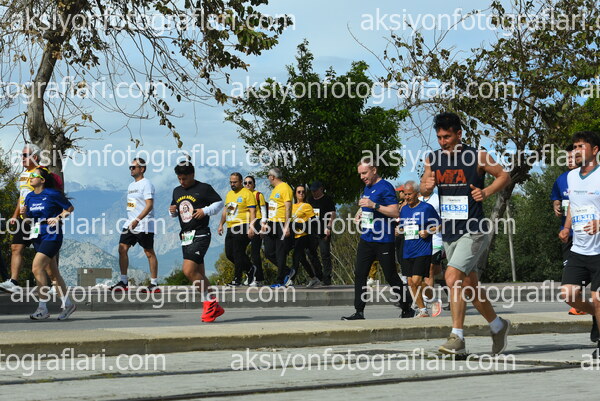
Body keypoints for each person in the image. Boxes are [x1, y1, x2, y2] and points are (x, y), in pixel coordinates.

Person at [421, 112, 511, 355]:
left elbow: (504, 175)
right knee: (469, 286)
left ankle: (457, 338)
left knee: (452, 278)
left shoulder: (477, 156)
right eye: (439, 137)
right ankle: (498, 325)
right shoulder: (433, 159)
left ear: (459, 134)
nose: (443, 142)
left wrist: (487, 192)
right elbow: (423, 186)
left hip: (473, 230)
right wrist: (426, 187)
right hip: (449, 231)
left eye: (447, 137)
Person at [342, 157, 413, 320]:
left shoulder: (386, 187)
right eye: (360, 174)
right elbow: (367, 208)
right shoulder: (367, 187)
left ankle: (407, 306)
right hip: (367, 238)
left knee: (390, 276)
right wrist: (361, 214)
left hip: (383, 239)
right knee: (360, 274)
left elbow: (395, 212)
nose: (362, 177)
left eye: (364, 173)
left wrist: (374, 205)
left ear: (374, 170)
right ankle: (359, 311)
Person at [559, 131, 600, 356]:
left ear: (595, 150)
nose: (576, 151)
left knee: (598, 297)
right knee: (569, 294)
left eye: (581, 146)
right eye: (574, 147)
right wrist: (567, 228)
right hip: (579, 249)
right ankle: (597, 314)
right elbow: (573, 207)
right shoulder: (571, 177)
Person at [169, 161, 225, 323]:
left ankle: (210, 304)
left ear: (192, 175)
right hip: (185, 235)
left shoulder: (204, 188)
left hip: (201, 234)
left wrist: (205, 211)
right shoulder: (177, 191)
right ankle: (213, 305)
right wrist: (172, 211)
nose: (182, 182)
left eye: (185, 179)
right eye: (179, 179)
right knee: (199, 273)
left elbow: (219, 203)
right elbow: (177, 210)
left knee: (188, 270)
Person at [23, 167, 75, 320]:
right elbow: (29, 220)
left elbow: (69, 208)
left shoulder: (52, 194)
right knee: (53, 273)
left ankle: (42, 308)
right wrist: (24, 214)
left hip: (52, 235)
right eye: (30, 175)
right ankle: (68, 304)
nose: (31, 177)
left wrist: (58, 218)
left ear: (42, 180)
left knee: (36, 267)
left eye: (34, 175)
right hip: (37, 235)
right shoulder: (29, 197)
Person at [110, 158, 159, 293]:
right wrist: (131, 218)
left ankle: (154, 284)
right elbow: (132, 205)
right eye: (130, 167)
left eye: (134, 167)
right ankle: (123, 282)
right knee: (122, 249)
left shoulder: (147, 184)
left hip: (144, 223)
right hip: (130, 223)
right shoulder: (131, 186)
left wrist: (137, 219)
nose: (131, 169)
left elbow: (149, 205)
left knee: (148, 252)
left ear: (142, 169)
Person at [399, 181, 442, 318]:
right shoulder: (404, 209)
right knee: (411, 282)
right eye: (405, 194)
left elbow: (440, 225)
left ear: (417, 194)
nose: (407, 197)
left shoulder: (426, 208)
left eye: (409, 194)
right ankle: (423, 310)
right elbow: (402, 227)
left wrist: (428, 231)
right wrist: (399, 230)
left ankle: (432, 300)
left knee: (416, 281)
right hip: (407, 250)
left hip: (422, 249)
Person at [551, 146, 584, 315]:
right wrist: (556, 205)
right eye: (568, 158)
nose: (570, 161)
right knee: (569, 268)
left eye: (573, 158)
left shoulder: (587, 178)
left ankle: (583, 305)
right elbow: (556, 198)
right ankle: (579, 304)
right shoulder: (562, 178)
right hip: (567, 232)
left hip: (585, 232)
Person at [218, 173, 256, 286]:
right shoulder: (229, 194)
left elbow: (253, 212)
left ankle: (237, 279)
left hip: (242, 225)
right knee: (229, 254)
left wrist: (252, 227)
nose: (232, 184)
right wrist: (221, 224)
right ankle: (249, 268)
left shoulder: (247, 194)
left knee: (238, 252)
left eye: (234, 182)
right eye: (231, 182)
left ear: (240, 182)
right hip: (231, 226)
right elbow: (226, 211)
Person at [261, 168, 293, 287]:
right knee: (268, 252)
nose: (268, 178)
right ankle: (287, 271)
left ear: (272, 177)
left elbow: (288, 207)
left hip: (281, 223)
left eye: (268, 176)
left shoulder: (285, 187)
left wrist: (287, 226)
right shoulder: (275, 190)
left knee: (280, 252)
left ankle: (280, 280)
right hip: (272, 223)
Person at [419, 186, 446, 314]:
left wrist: (430, 231)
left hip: (436, 239)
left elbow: (445, 221)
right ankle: (452, 285)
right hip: (421, 241)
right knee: (437, 272)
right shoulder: (418, 200)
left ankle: (428, 302)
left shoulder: (438, 199)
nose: (424, 185)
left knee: (429, 270)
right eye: (422, 182)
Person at [290, 184, 323, 287]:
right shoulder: (291, 207)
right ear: (295, 194)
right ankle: (314, 278)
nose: (301, 193)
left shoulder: (307, 206)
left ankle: (290, 279)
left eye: (303, 192)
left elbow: (313, 221)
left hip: (303, 235)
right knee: (302, 259)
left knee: (295, 256)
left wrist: (301, 225)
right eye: (299, 192)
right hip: (294, 236)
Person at [307, 181, 336, 285]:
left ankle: (327, 278)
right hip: (312, 230)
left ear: (321, 189)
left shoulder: (327, 199)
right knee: (310, 252)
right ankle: (318, 275)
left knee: (325, 254)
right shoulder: (310, 199)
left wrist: (329, 227)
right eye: (312, 191)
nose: (314, 192)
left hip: (323, 230)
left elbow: (333, 214)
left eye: (315, 190)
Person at [243, 176, 266, 286]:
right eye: (245, 183)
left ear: (254, 184)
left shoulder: (258, 195)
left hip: (257, 222)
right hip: (244, 223)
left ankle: (258, 278)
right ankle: (249, 273)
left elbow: (264, 211)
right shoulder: (243, 195)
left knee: (254, 252)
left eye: (250, 182)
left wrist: (263, 226)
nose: (247, 184)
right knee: (239, 251)